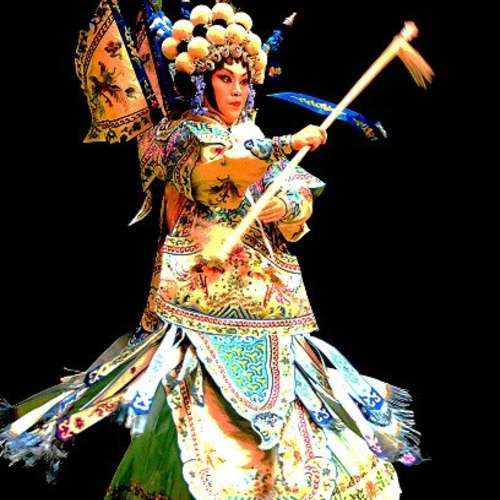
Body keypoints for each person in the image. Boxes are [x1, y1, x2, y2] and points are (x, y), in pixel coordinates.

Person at [0, 2, 424, 498]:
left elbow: (299, 201)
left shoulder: (252, 133)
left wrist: (284, 206)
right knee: (199, 419)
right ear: (204, 82)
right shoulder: (175, 134)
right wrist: (285, 145)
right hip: (200, 301)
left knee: (297, 414)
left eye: (243, 80)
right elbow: (212, 178)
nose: (237, 90)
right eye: (225, 79)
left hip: (270, 302)